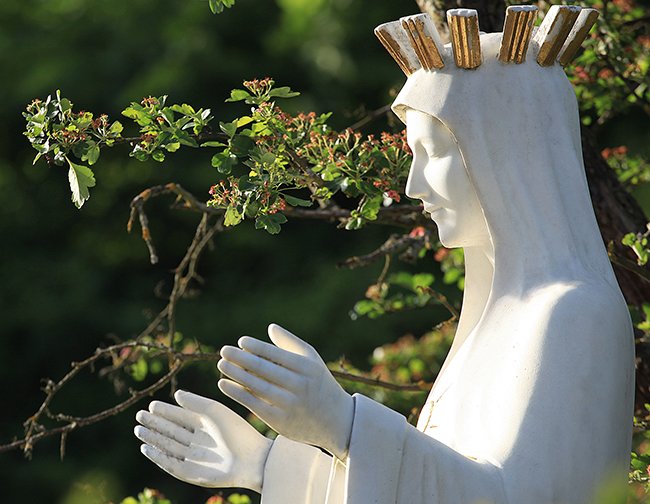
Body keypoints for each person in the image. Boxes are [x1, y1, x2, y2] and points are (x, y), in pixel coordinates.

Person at [134, 6, 635, 503]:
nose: (414, 185)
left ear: (507, 151)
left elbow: (516, 498)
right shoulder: (498, 319)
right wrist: (266, 464)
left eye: (433, 153)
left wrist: (343, 425)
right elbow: (448, 477)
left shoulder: (574, 313)